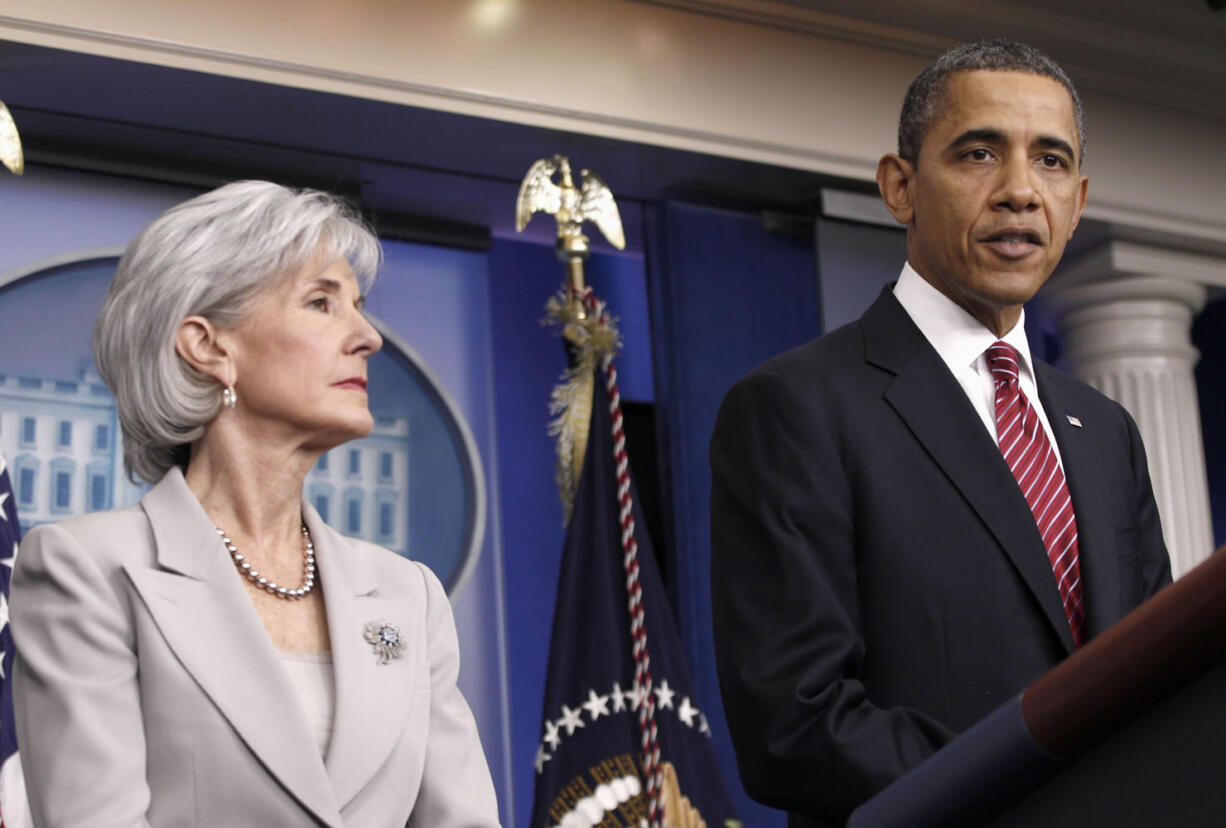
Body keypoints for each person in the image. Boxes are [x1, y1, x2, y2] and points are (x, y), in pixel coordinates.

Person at [710, 40, 1170, 827]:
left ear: (1079, 200)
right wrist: (1051, 789)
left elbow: (1156, 680)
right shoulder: (796, 406)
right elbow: (795, 724)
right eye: (979, 153)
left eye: (1051, 161)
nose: (1021, 191)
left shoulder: (1106, 431)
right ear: (900, 188)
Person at [10, 181, 501, 827]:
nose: (367, 336)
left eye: (359, 304)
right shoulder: (86, 569)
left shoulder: (408, 595)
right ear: (209, 346)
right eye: (322, 302)